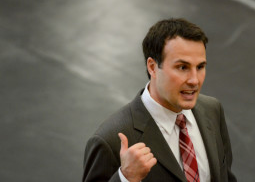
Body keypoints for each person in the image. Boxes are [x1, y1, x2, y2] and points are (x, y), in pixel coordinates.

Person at [82, 18, 237, 182]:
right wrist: (125, 178)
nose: (194, 80)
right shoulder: (109, 140)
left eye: (200, 67)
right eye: (182, 67)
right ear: (152, 66)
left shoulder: (212, 110)